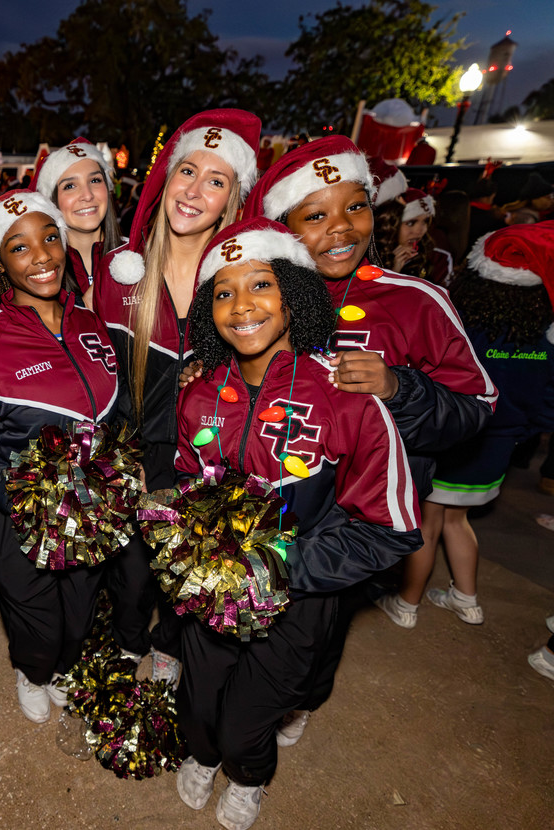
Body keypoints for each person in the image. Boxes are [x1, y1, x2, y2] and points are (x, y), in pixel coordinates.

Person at [240, 135, 495, 733]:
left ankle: (294, 709)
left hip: (356, 523)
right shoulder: (259, 295)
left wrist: (399, 389)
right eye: (316, 215)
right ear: (286, 226)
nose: (339, 229)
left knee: (318, 630)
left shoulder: (415, 300)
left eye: (353, 207)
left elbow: (477, 406)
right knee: (244, 613)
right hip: (268, 502)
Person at [174, 218, 421, 829]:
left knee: (246, 721)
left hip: (299, 597)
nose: (242, 306)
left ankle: (247, 773)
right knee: (199, 700)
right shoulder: (199, 391)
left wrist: (281, 567)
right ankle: (203, 755)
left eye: (261, 284)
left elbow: (389, 529)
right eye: (223, 292)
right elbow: (184, 484)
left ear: (294, 295)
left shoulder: (346, 394)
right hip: (211, 590)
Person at [87, 109, 262, 685]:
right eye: (187, 171)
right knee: (134, 576)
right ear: (165, 179)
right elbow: (95, 380)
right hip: (135, 460)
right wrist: (117, 461)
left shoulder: (246, 283)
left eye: (216, 181)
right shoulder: (118, 273)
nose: (194, 191)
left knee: (192, 575)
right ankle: (127, 639)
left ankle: (170, 643)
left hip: (208, 464)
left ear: (234, 202)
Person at [0, 189, 119, 724]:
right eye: (20, 247)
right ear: (0, 265)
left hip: (93, 503)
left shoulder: (92, 324)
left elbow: (114, 413)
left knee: (80, 604)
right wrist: (27, 496)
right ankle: (31, 669)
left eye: (50, 238)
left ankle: (63, 666)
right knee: (34, 611)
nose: (43, 256)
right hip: (20, 510)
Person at [386, 223, 554, 628]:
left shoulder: (463, 332)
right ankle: (467, 599)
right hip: (496, 452)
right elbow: (545, 407)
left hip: (454, 443)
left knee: (425, 522)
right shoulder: (543, 341)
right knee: (457, 521)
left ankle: (406, 606)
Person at [30, 138, 123, 295]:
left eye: (95, 180)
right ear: (52, 200)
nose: (87, 195)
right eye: (70, 186)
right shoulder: (38, 271)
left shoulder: (141, 254)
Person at [374, 188, 453, 285]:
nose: (419, 231)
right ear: (390, 224)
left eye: (426, 221)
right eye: (411, 223)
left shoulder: (438, 259)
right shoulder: (368, 254)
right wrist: (392, 273)